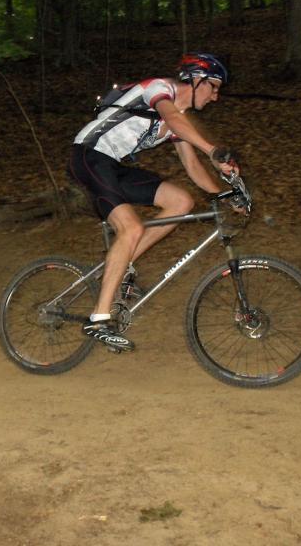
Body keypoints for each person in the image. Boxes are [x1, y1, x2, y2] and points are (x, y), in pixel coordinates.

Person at [68, 52, 238, 351]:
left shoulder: (179, 121)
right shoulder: (159, 88)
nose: (215, 97)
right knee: (130, 228)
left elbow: (193, 168)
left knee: (181, 201)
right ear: (196, 80)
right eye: (214, 87)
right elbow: (172, 117)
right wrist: (212, 150)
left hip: (113, 165)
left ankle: (123, 262)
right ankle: (98, 318)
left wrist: (226, 193)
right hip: (88, 155)